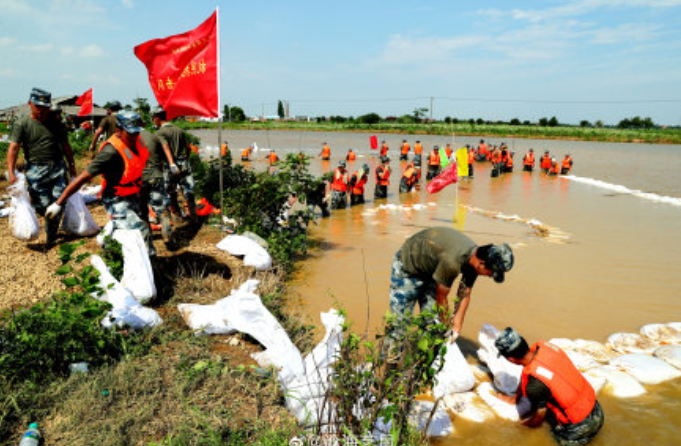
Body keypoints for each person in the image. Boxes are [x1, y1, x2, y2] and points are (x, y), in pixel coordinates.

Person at [386, 227, 514, 357]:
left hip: (433, 271)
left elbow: (465, 294)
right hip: (409, 267)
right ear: (481, 263)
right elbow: (441, 297)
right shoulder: (452, 261)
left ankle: (422, 363)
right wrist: (447, 326)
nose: (490, 276)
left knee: (432, 324)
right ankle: (389, 366)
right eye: (491, 273)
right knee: (399, 325)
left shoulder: (474, 260)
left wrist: (456, 327)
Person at [46, 111, 156, 256]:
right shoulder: (110, 153)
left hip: (133, 193)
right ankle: (151, 263)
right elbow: (83, 178)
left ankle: (107, 240)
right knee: (140, 231)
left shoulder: (138, 141)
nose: (135, 137)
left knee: (128, 227)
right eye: (130, 134)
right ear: (118, 130)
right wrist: (58, 203)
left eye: (137, 133)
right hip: (115, 197)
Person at [495, 327, 604, 446]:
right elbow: (528, 372)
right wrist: (515, 399)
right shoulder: (546, 347)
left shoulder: (534, 386)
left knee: (551, 438)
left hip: (581, 427)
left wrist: (523, 426)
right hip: (596, 409)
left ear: (510, 359)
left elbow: (539, 417)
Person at [6, 88, 77, 246]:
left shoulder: (55, 122)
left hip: (58, 167)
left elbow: (65, 145)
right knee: (43, 205)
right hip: (36, 170)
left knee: (59, 201)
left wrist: (72, 166)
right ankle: (47, 223)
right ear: (30, 104)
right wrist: (11, 172)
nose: (42, 111)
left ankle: (51, 236)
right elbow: (14, 148)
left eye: (45, 108)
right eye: (38, 107)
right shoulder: (22, 123)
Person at [153, 107, 197, 221]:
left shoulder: (160, 132)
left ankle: (175, 216)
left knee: (169, 191)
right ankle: (193, 214)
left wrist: (171, 163)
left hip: (170, 165)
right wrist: (186, 158)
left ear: (157, 118)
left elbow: (165, 147)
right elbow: (188, 147)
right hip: (183, 163)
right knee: (188, 190)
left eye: (153, 118)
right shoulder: (179, 130)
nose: (153, 121)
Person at [139, 129, 172, 244]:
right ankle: (167, 235)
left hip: (139, 178)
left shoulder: (129, 138)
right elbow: (162, 159)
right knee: (161, 207)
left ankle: (147, 237)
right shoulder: (154, 137)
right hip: (156, 175)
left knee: (142, 209)